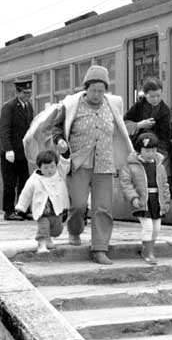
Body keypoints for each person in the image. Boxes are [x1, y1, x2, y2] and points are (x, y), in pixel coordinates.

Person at [51, 65, 134, 266]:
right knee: (78, 204)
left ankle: (100, 249)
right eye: (94, 90)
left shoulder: (113, 104)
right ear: (85, 88)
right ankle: (75, 230)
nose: (97, 94)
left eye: (101, 90)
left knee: (103, 208)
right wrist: (60, 140)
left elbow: (120, 129)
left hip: (105, 162)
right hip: (79, 162)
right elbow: (57, 128)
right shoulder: (71, 105)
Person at [119, 132, 171, 264]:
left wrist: (166, 201)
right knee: (147, 226)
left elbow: (165, 185)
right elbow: (126, 184)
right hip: (142, 200)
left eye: (153, 150)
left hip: (156, 200)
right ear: (139, 150)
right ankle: (148, 252)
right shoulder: (131, 166)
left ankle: (149, 248)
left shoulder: (160, 166)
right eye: (147, 150)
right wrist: (133, 198)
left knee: (157, 227)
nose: (150, 153)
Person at [14, 150, 70, 253]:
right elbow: (27, 192)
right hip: (42, 210)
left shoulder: (59, 174)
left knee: (57, 230)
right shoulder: (35, 179)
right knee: (43, 227)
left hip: (56, 209)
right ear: (40, 167)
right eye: (46, 167)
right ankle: (41, 244)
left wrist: (64, 154)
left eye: (52, 167)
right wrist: (21, 206)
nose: (50, 170)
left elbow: (66, 164)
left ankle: (48, 238)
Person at [124, 77, 172, 193]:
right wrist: (139, 125)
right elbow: (124, 123)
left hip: (159, 150)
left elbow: (166, 135)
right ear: (145, 95)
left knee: (158, 178)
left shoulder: (165, 110)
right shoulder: (138, 107)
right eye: (152, 96)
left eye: (159, 96)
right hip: (138, 149)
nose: (156, 99)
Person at [0, 78, 35, 221]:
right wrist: (8, 149)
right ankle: (8, 211)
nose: (28, 95)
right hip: (10, 152)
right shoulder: (9, 107)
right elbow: (3, 129)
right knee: (10, 182)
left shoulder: (28, 107)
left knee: (24, 182)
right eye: (25, 93)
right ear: (18, 92)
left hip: (22, 151)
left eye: (29, 93)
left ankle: (22, 209)